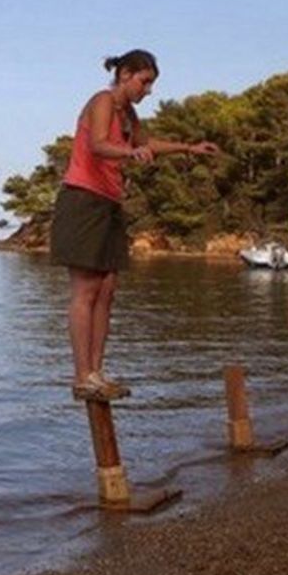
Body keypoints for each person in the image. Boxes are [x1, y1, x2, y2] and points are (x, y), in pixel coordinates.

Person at [49, 50, 221, 401]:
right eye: (145, 82)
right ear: (125, 74)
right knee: (85, 291)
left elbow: (146, 144)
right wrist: (129, 154)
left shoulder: (128, 113)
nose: (148, 90)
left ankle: (96, 372)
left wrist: (188, 148)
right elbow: (98, 144)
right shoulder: (102, 101)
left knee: (107, 290)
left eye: (152, 84)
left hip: (109, 202)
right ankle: (82, 376)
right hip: (83, 199)